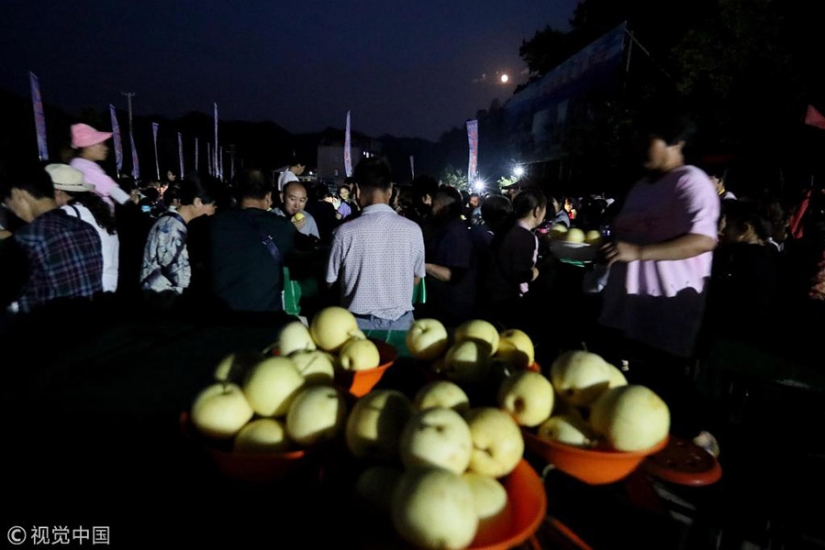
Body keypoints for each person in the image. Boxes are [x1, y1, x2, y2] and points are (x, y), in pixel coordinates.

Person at [597, 113, 721, 447]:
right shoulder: (640, 187)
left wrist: (637, 251)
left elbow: (703, 239)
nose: (637, 145)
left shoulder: (690, 180)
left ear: (675, 141)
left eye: (646, 137)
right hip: (625, 310)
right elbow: (625, 239)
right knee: (633, 399)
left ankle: (702, 450)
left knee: (669, 397)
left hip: (665, 315)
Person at [325, 157, 425, 331]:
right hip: (402, 324)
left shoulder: (344, 233)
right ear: (391, 190)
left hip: (355, 326)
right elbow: (416, 278)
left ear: (356, 190)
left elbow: (330, 281)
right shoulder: (413, 230)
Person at [0, 165, 103, 314]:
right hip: (94, 327)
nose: (11, 210)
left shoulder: (28, 238)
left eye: (7, 203)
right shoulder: (86, 229)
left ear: (18, 194)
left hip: (49, 331)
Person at [207, 169, 296, 312]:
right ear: (268, 197)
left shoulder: (213, 224)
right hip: (265, 321)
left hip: (222, 319)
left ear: (235, 196)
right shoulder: (283, 227)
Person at [46, 164, 120, 293]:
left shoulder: (68, 214)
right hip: (109, 286)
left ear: (57, 191)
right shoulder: (95, 212)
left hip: (90, 289)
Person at [140, 178, 218, 295]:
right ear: (197, 202)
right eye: (213, 205)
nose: (215, 209)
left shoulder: (172, 223)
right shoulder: (171, 228)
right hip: (160, 298)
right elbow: (177, 273)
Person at [484, 188, 547, 331]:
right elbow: (521, 275)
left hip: (493, 296)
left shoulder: (504, 229)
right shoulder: (525, 236)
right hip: (509, 300)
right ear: (537, 211)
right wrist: (542, 268)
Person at [421, 186, 477, 327]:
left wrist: (420, 265)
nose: (430, 207)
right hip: (444, 305)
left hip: (451, 310)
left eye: (434, 204)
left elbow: (452, 275)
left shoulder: (455, 233)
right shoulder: (447, 228)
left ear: (445, 208)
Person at [69, 123, 131, 210]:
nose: (106, 148)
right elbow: (113, 190)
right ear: (88, 146)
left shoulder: (79, 164)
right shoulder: (85, 167)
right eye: (102, 144)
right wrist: (130, 204)